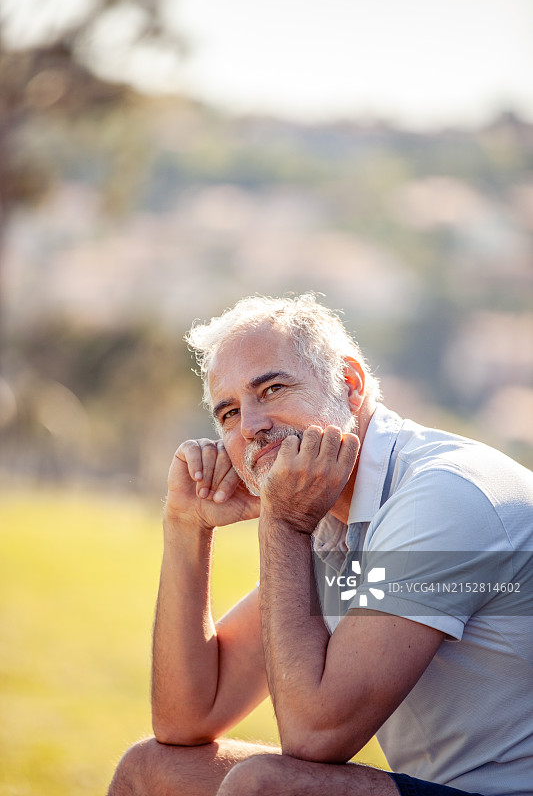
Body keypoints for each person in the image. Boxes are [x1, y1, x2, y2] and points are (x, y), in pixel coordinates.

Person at [108, 294, 533, 796]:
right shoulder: (333, 513)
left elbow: (316, 734)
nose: (251, 427)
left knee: (265, 786)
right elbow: (187, 719)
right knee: (149, 771)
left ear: (349, 385)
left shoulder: (443, 496)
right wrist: (186, 527)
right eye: (228, 413)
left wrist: (283, 521)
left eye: (272, 388)